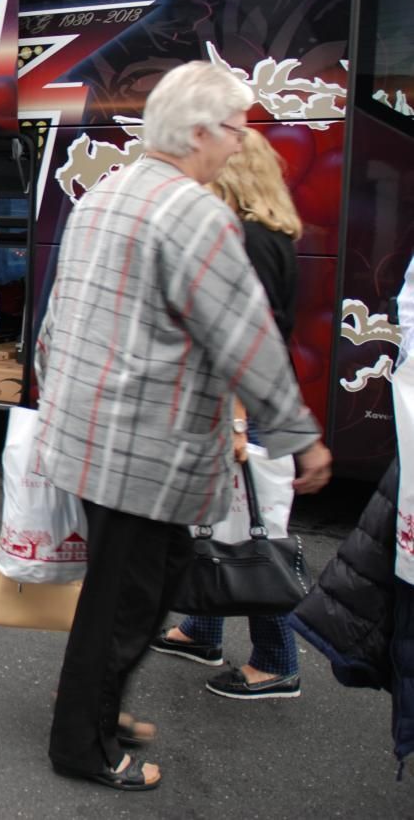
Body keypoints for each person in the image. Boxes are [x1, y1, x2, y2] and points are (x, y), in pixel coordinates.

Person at [34, 61, 331, 792]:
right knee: (127, 600)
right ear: (200, 132)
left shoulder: (106, 194)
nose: (240, 144)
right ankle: (85, 742)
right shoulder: (194, 212)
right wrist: (297, 437)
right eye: (235, 129)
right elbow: (247, 336)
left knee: (134, 586)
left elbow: (55, 316)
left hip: (92, 435)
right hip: (147, 448)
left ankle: (96, 709)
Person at [151, 128, 307, 699]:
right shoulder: (275, 235)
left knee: (256, 533)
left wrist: (235, 421)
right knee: (224, 524)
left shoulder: (246, 239)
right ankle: (202, 627)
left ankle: (277, 661)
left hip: (245, 409)